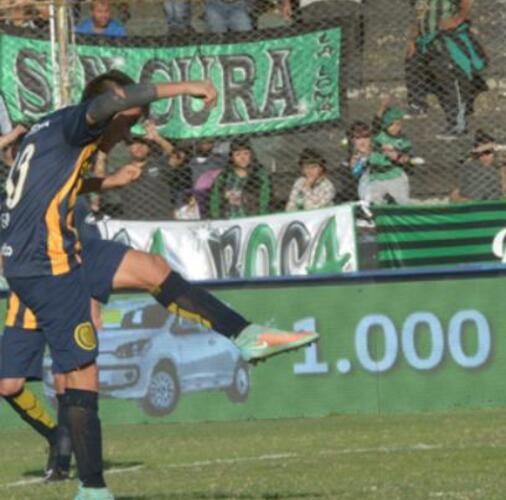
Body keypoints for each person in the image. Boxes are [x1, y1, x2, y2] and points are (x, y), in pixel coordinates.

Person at [0, 70, 318, 499]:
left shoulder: (55, 127)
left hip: (63, 249)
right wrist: (188, 87)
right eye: (131, 120)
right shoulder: (82, 121)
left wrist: (106, 182)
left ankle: (245, 334)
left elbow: (52, 183)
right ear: (112, 105)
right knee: (80, 374)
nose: (128, 130)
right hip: (43, 264)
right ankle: (92, 488)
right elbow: (112, 104)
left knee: (150, 267)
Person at [405, 0, 488, 140]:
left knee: (452, 82)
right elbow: (419, 17)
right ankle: (418, 105)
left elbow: (466, 2)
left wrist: (457, 19)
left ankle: (458, 125)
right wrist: (412, 39)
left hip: (447, 42)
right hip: (426, 42)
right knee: (414, 66)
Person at [208, 139, 271, 218]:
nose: (243, 158)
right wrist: (217, 219)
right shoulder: (225, 176)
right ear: (232, 157)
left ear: (251, 155)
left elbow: (264, 200)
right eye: (237, 154)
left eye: (246, 153)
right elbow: (215, 200)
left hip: (252, 218)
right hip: (229, 219)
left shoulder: (260, 174)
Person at [366, 105, 412, 204]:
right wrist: (381, 107)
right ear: (385, 125)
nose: (397, 127)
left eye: (399, 124)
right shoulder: (379, 135)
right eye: (393, 125)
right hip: (376, 175)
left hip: (394, 173)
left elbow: (406, 154)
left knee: (401, 201)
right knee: (374, 202)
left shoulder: (402, 139)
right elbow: (376, 123)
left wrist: (397, 154)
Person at [450, 130, 506, 202]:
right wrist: (474, 154)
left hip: (497, 198)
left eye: (487, 153)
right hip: (475, 199)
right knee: (455, 194)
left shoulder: (502, 165)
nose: (484, 157)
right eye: (480, 155)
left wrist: (497, 147)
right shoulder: (471, 166)